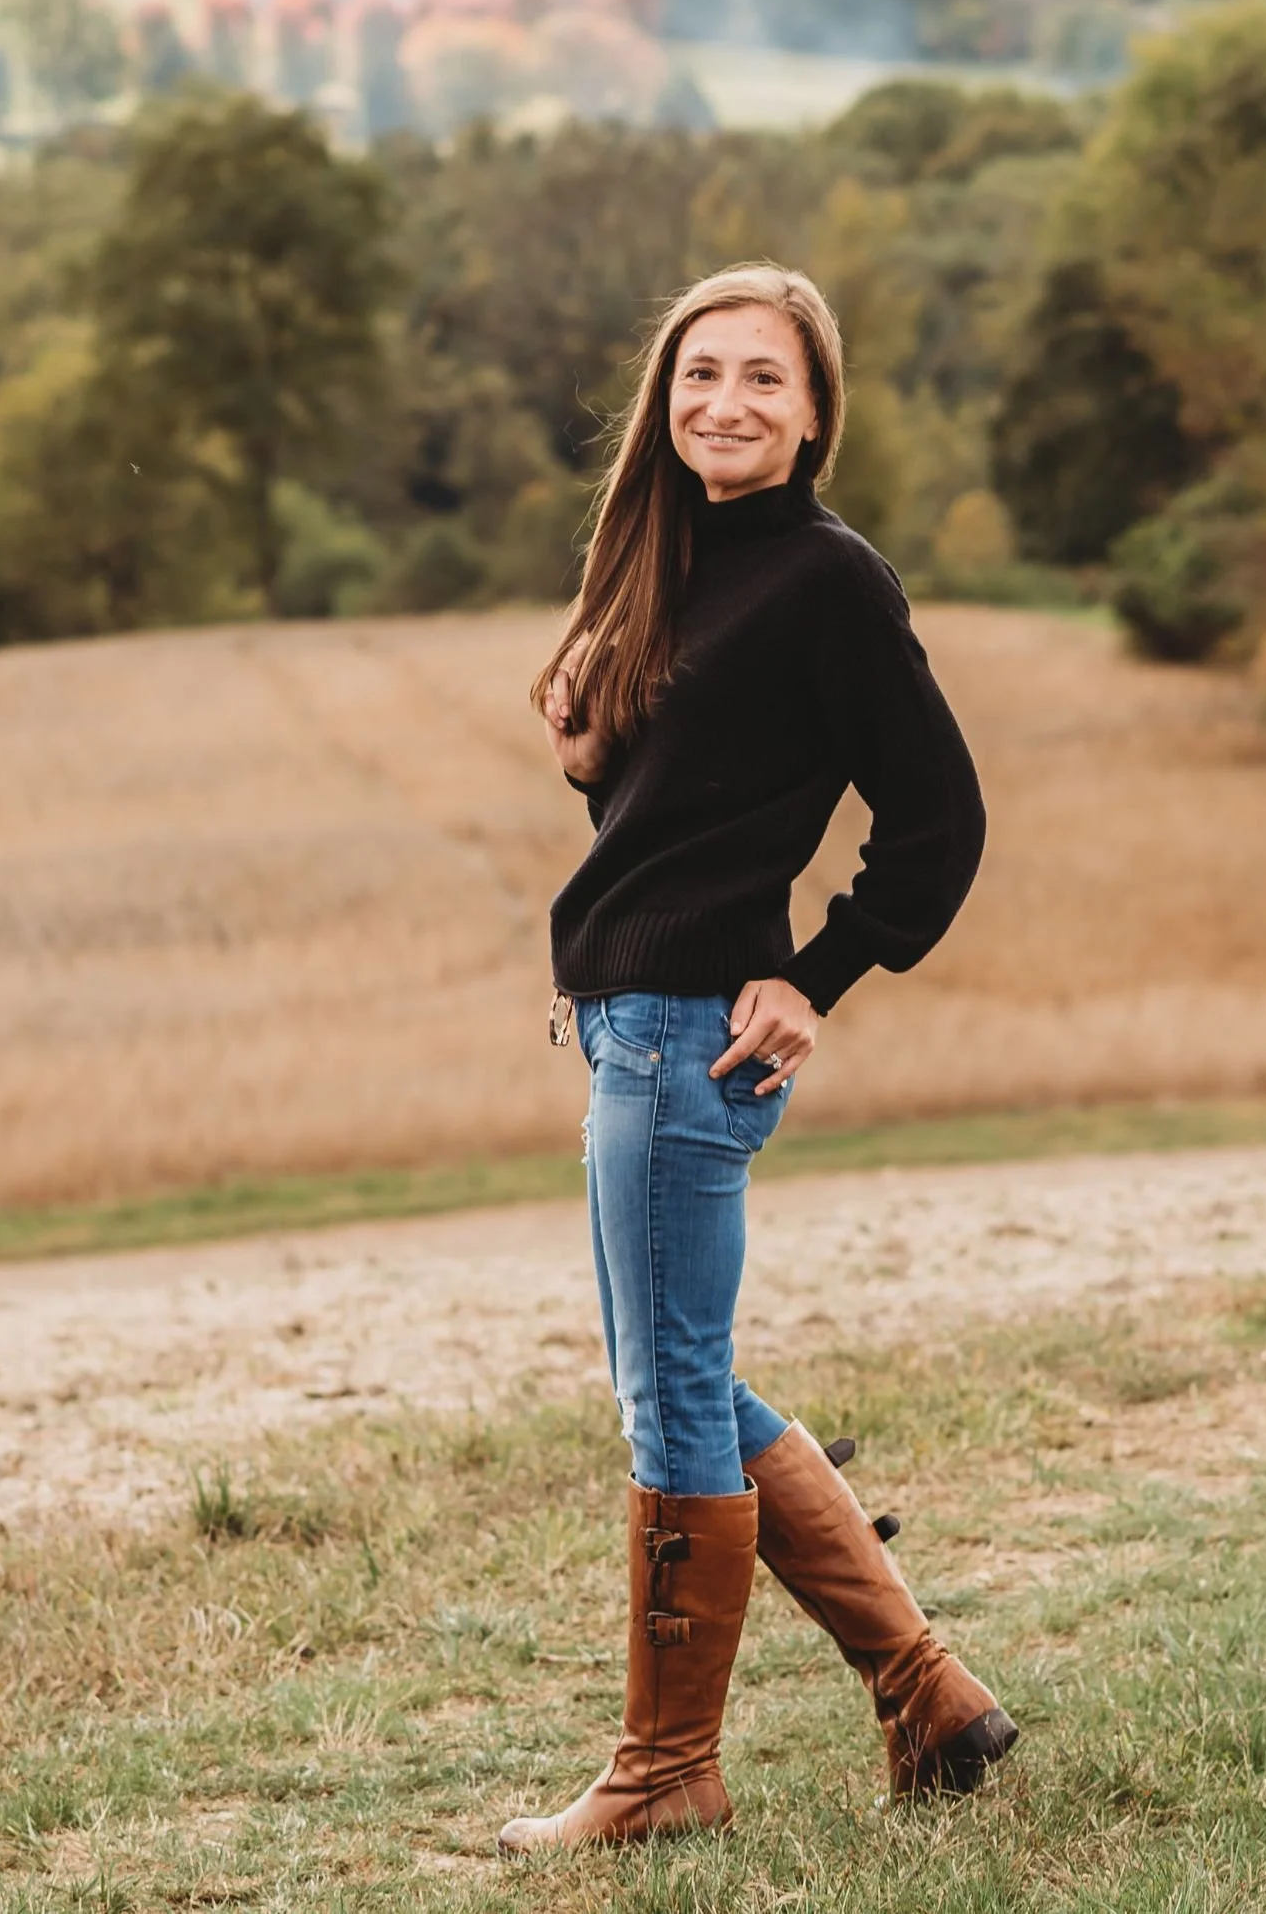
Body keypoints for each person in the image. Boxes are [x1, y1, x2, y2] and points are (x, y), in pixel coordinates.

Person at [497, 263, 1016, 1858]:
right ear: (666, 396)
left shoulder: (826, 579)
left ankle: (667, 1774)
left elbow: (939, 822)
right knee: (689, 1378)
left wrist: (819, 976)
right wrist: (599, 767)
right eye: (700, 373)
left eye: (765, 380)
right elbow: (687, 828)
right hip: (633, 1025)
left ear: (815, 414)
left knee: (668, 1394)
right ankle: (927, 1693)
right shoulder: (670, 564)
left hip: (691, 1047)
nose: (726, 400)